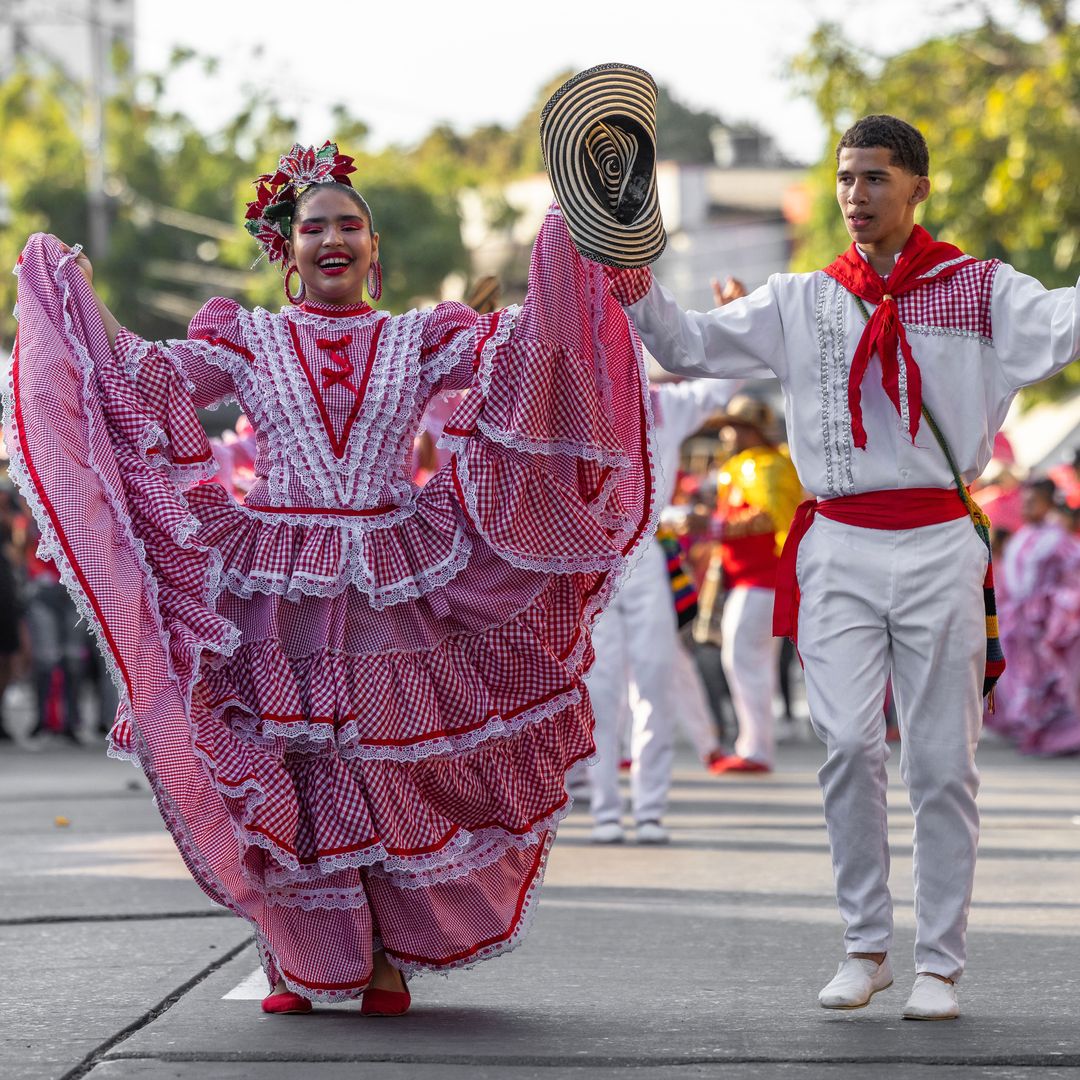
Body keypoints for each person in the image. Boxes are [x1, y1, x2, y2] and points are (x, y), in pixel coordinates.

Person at [8, 141, 655, 1014]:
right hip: (273, 582)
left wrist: (568, 243)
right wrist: (70, 291)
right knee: (289, 769)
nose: (333, 239)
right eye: (314, 227)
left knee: (382, 765)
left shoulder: (422, 335)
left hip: (393, 571)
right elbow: (143, 383)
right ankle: (294, 958)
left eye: (350, 224)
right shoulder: (243, 339)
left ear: (375, 249)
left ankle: (387, 956)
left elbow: (530, 359)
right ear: (288, 250)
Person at [603, 114, 1080, 1020]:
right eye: (845, 178)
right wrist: (629, 261)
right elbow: (685, 344)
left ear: (918, 189)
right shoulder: (801, 299)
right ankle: (865, 946)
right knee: (850, 746)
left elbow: (1069, 316)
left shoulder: (983, 291)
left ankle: (939, 962)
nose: (855, 195)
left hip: (939, 537)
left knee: (941, 764)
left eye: (874, 178)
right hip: (835, 544)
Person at [587, 373, 740, 844]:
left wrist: (732, 307)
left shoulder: (664, 407)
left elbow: (725, 382)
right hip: (593, 559)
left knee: (655, 683)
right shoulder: (575, 401)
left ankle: (649, 809)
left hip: (646, 557)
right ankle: (605, 809)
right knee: (601, 691)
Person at [708, 394, 803, 774]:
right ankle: (755, 746)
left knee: (745, 661)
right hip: (755, 581)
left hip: (763, 580)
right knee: (748, 662)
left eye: (734, 426)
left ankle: (755, 749)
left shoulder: (760, 466)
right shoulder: (751, 465)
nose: (727, 434)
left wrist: (712, 528)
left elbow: (772, 520)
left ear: (749, 430)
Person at [985, 477, 1080, 755]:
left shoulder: (1058, 539)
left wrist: (1057, 609)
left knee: (1051, 680)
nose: (1025, 506)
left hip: (1047, 622)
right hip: (1020, 625)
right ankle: (1035, 734)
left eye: (1032, 501)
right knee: (1025, 678)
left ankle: (1061, 737)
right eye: (1023, 501)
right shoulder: (1024, 537)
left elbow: (1071, 579)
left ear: (1049, 502)